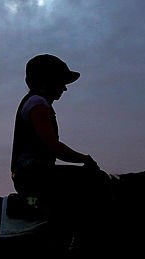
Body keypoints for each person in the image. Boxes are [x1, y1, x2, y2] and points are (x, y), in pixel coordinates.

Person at [10, 54, 108, 226]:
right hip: (33, 175)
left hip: (31, 174)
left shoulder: (37, 103)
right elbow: (52, 146)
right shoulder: (38, 104)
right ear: (47, 81)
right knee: (96, 180)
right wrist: (83, 159)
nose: (64, 88)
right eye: (61, 82)